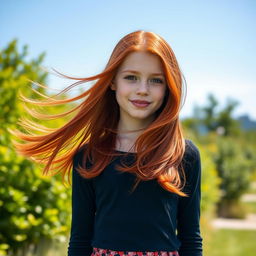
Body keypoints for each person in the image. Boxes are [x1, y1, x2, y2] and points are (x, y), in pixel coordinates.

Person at [11, 30, 203, 256]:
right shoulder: (89, 156)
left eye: (156, 80)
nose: (142, 89)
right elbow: (80, 239)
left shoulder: (184, 154)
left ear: (168, 86)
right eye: (131, 77)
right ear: (112, 82)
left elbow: (191, 238)